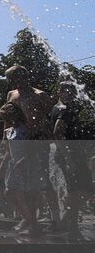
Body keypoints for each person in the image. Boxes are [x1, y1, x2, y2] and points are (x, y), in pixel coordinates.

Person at [5, 66, 58, 224]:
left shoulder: (40, 95)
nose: (9, 82)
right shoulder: (11, 95)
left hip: (37, 142)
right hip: (17, 142)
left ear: (21, 77)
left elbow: (49, 120)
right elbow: (8, 118)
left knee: (42, 181)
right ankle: (29, 218)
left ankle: (55, 217)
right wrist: (4, 140)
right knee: (19, 183)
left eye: (11, 78)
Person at [51, 81, 93, 238]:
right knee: (77, 191)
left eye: (71, 91)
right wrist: (69, 159)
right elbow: (57, 132)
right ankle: (72, 228)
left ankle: (65, 220)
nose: (68, 94)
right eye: (65, 91)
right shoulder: (64, 110)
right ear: (59, 92)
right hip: (69, 155)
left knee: (85, 190)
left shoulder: (61, 108)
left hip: (72, 155)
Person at [0, 103, 42, 233]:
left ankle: (32, 224)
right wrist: (3, 163)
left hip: (27, 163)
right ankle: (27, 218)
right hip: (13, 164)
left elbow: (33, 147)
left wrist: (22, 161)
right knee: (9, 192)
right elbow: (9, 150)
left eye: (8, 116)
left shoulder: (26, 129)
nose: (7, 120)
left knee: (28, 194)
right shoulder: (9, 131)